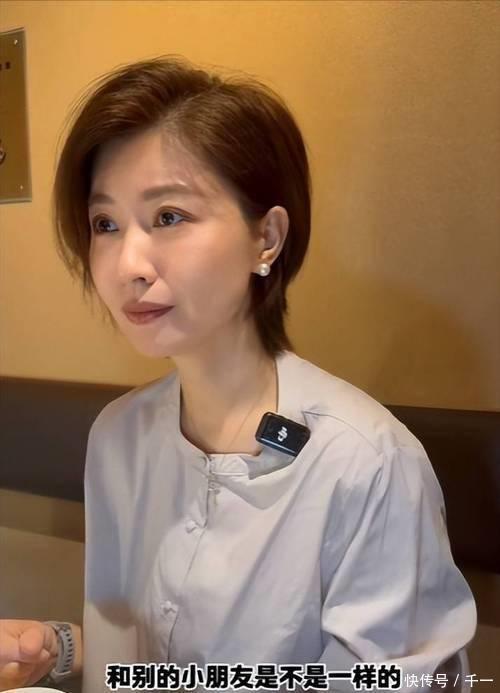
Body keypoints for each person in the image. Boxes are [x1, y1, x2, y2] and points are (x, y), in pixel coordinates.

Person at [0, 55, 476, 693]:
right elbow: (153, 652)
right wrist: (62, 649)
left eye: (169, 216)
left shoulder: (365, 463)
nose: (127, 264)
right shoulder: (118, 436)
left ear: (266, 239)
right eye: (105, 224)